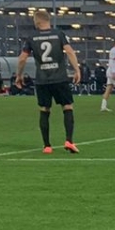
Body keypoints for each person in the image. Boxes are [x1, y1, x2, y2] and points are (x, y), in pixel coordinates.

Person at [13, 13, 82, 153]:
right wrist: (77, 70)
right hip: (60, 77)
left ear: (37, 22)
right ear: (48, 20)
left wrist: (19, 75)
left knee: (44, 109)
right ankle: (69, 141)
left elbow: (22, 58)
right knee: (67, 106)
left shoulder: (32, 37)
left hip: (42, 79)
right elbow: (69, 51)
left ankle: (47, 146)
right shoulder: (59, 34)